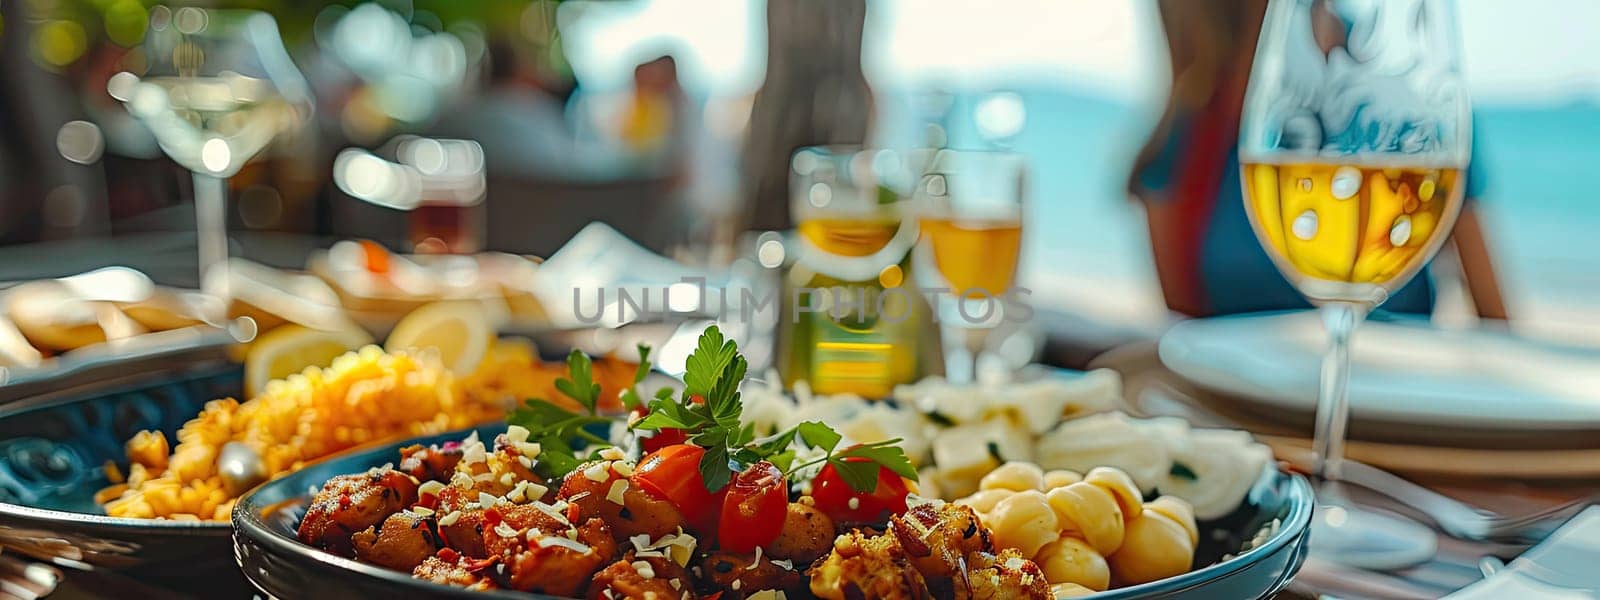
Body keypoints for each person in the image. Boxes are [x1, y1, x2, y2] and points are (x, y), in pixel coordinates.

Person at [1128, 0, 1507, 320]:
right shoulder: (1183, 141)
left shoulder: (1411, 103)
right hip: (1244, 404)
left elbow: (1494, 320)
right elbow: (1183, 340)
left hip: (1395, 398)